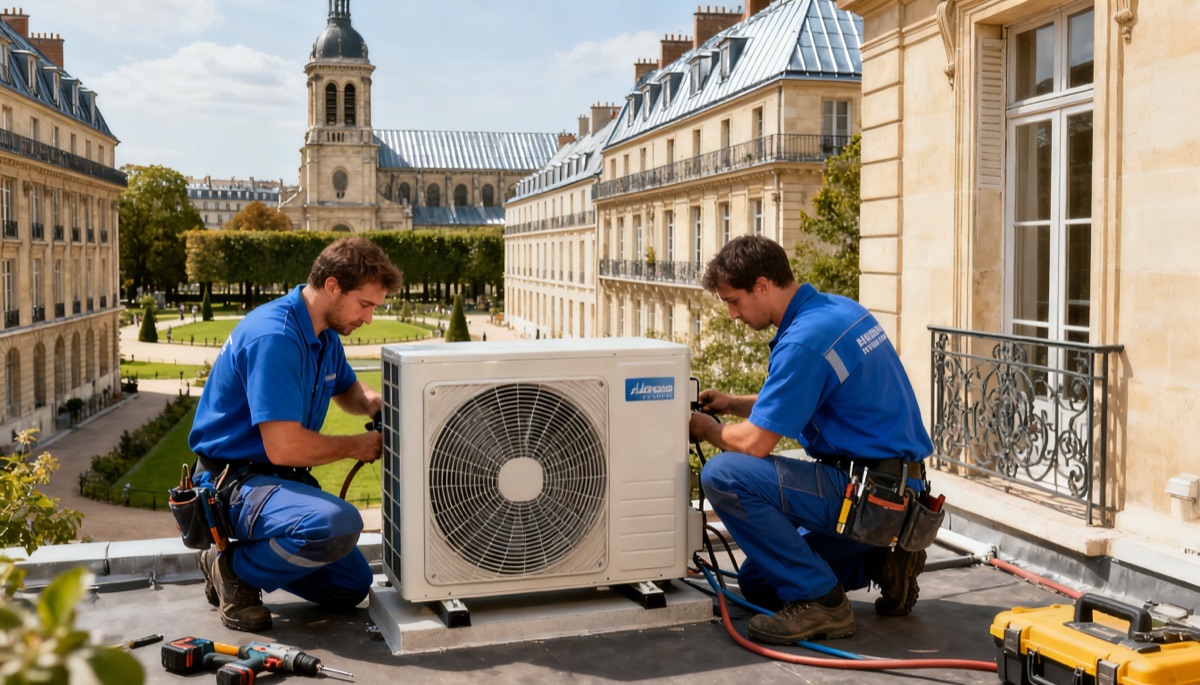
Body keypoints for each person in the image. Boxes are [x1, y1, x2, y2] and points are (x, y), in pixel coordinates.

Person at [688, 235, 933, 645]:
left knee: (724, 474)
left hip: (867, 494)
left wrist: (709, 430)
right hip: (901, 492)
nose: (731, 314)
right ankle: (880, 558)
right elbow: (797, 400)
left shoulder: (803, 341)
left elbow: (755, 444)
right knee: (758, 582)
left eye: (733, 301)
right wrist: (731, 404)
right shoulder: (838, 311)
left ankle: (822, 603)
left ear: (762, 286)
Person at [188, 236, 402, 632]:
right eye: (366, 304)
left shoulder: (324, 335)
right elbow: (284, 447)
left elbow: (346, 390)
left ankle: (247, 561)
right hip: (231, 484)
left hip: (271, 481)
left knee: (351, 585)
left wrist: (372, 400)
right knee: (338, 524)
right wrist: (357, 445)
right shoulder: (276, 338)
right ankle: (232, 570)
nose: (370, 317)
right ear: (333, 286)